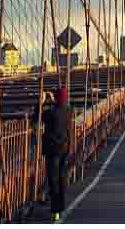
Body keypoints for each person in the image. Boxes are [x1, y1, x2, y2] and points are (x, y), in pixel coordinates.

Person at [40, 87, 72, 222]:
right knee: (62, 177)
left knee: (53, 181)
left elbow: (38, 117)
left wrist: (41, 102)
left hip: (53, 151)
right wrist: (54, 101)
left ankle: (55, 211)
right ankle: (62, 206)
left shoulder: (51, 113)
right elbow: (59, 107)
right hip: (65, 148)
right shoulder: (68, 110)